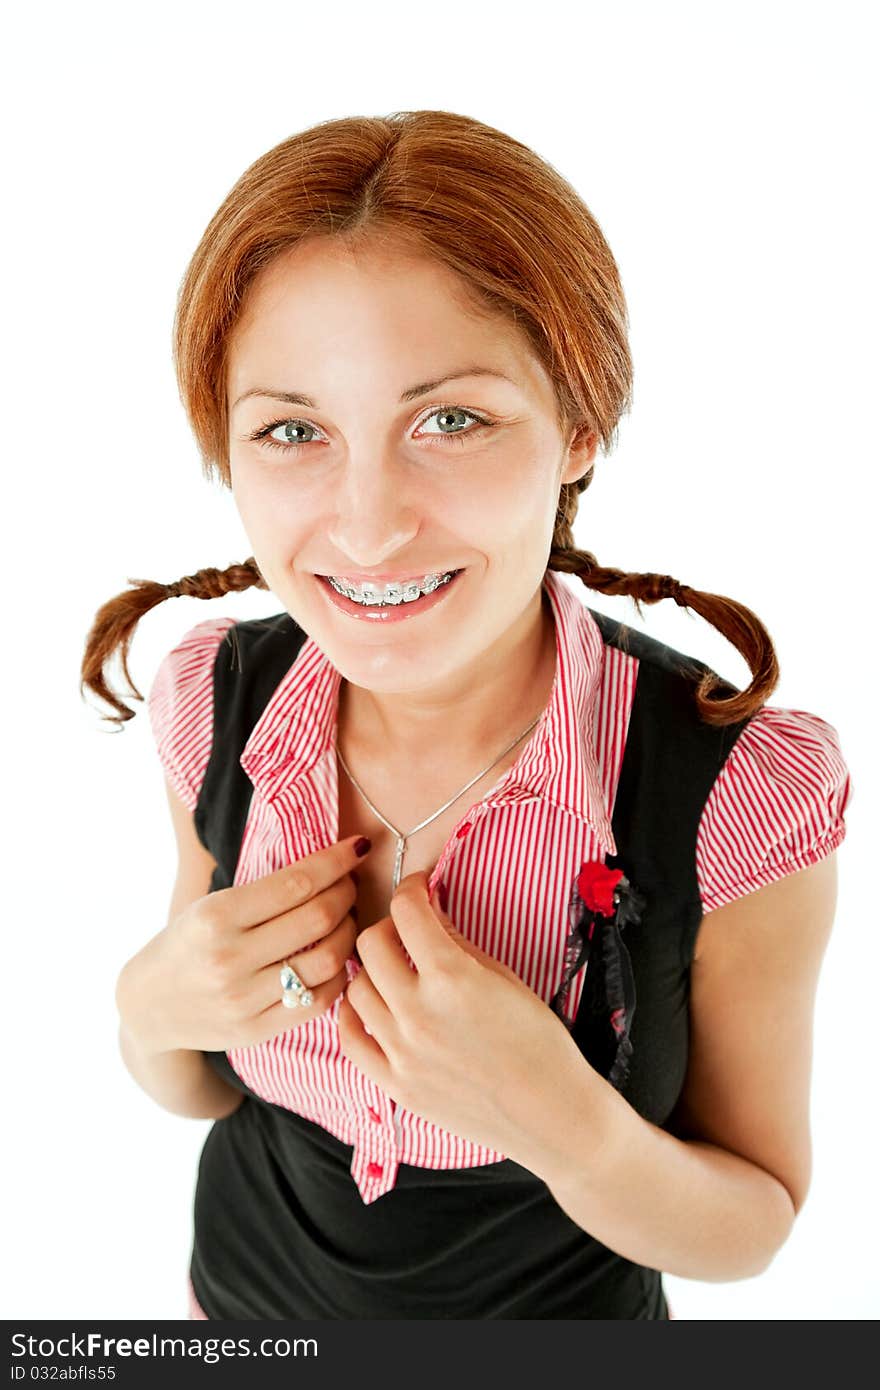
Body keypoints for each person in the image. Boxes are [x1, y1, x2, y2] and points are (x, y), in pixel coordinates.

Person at [80, 109, 853, 1321]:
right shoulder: (217, 703)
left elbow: (747, 1227)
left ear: (577, 424)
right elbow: (199, 1087)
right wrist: (147, 1010)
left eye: (450, 419)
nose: (368, 523)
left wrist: (559, 1116)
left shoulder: (731, 791)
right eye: (293, 430)